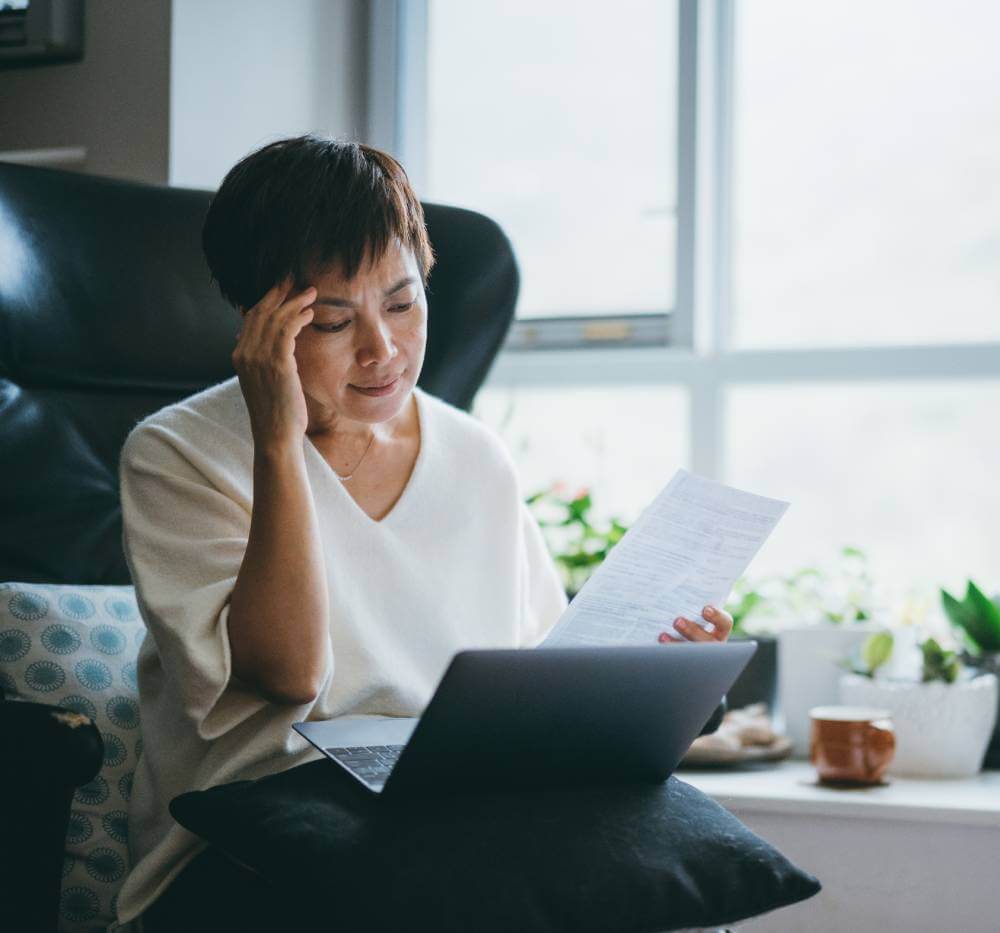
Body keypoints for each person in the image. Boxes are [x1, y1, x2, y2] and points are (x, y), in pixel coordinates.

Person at [112, 134, 734, 932]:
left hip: (454, 808)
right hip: (254, 833)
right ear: (260, 322)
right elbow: (289, 672)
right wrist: (278, 440)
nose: (383, 350)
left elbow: (542, 688)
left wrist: (660, 675)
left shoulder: (474, 455)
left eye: (403, 303)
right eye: (334, 320)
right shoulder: (176, 455)